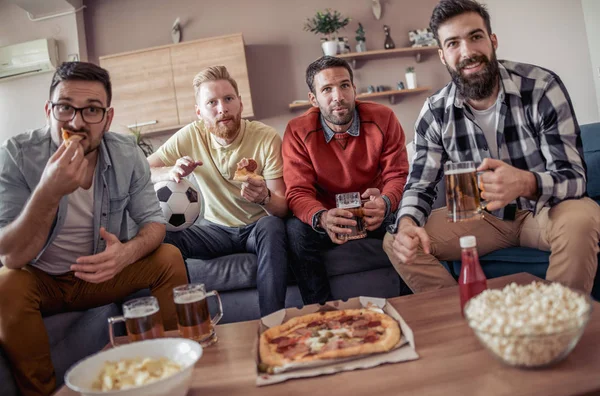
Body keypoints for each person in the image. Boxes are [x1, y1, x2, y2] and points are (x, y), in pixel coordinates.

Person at [0, 62, 188, 396]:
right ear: (48, 110)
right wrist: (48, 190)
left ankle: (172, 369)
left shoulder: (127, 153)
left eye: (91, 110)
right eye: (65, 108)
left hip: (103, 275)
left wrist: (126, 254)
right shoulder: (16, 155)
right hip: (42, 279)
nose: (76, 122)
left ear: (107, 117)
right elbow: (11, 256)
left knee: (168, 257)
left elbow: (154, 223)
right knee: (4, 282)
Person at [384, 0, 600, 294]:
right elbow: (420, 185)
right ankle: (468, 320)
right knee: (397, 239)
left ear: (492, 40)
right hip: (478, 217)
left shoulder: (541, 87)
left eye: (475, 37)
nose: (467, 52)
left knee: (583, 218)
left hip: (542, 211)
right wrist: (408, 221)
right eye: (453, 43)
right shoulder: (435, 111)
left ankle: (558, 327)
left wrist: (525, 182)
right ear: (443, 56)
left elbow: (574, 178)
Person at [147, 66, 288, 317]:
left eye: (228, 99)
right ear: (199, 112)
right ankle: (190, 320)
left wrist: (265, 198)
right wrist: (170, 171)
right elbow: (144, 170)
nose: (222, 108)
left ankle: (272, 322)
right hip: (215, 232)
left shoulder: (266, 137)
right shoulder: (191, 134)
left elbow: (282, 206)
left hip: (257, 228)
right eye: (212, 102)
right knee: (166, 239)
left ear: (240, 104)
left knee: (273, 226)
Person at [283, 56, 409, 305]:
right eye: (326, 89)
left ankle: (411, 303)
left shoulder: (383, 118)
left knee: (408, 215)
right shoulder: (297, 131)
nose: (337, 96)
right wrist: (321, 217)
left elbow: (398, 175)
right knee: (295, 231)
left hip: (375, 213)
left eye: (344, 86)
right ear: (313, 99)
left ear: (354, 89)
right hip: (328, 217)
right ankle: (323, 312)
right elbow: (298, 192)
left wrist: (386, 201)